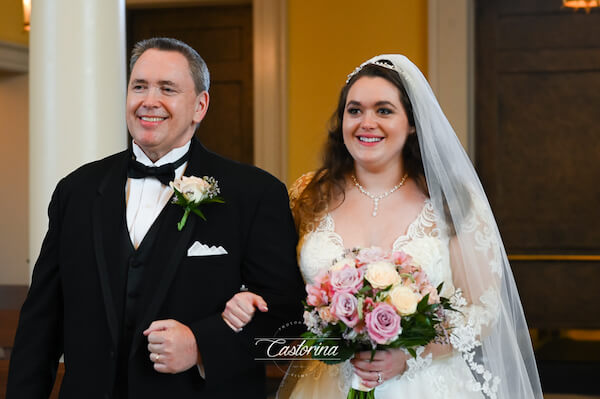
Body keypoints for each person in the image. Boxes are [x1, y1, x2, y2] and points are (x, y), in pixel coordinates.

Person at [222, 55, 544, 398]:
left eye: (384, 110)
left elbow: (482, 311)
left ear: (412, 123)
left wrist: (411, 353)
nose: (366, 122)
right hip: (326, 381)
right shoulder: (307, 194)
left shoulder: (451, 202)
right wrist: (246, 297)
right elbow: (276, 284)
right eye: (355, 110)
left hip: (427, 385)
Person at [7, 37, 305, 399]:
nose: (149, 101)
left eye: (167, 88)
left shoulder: (254, 193)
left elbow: (287, 319)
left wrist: (201, 346)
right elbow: (42, 321)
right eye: (139, 86)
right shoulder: (77, 190)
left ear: (200, 106)